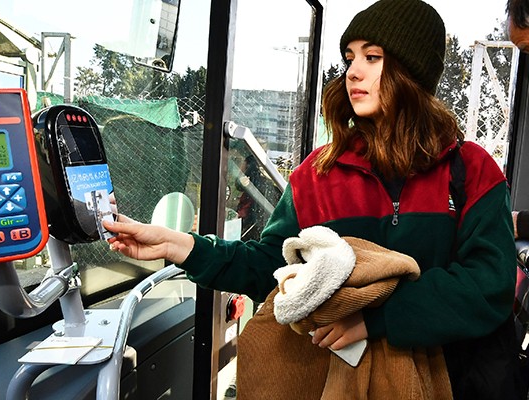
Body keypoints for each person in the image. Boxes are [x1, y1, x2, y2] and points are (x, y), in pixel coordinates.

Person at [104, 0, 519, 398]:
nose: (352, 72)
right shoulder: (317, 174)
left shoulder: (471, 170)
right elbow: (270, 267)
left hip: (453, 382)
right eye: (350, 57)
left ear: (412, 72)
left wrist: (375, 318)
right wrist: (181, 246)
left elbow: (489, 284)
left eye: (372, 57)